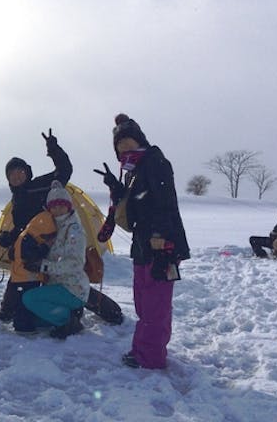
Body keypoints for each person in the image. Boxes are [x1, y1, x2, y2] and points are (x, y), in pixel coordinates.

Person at [94, 113, 189, 370]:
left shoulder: (154, 161)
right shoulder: (134, 170)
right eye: (119, 143)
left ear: (140, 140)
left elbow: (163, 201)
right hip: (143, 242)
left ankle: (151, 357)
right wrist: (115, 185)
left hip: (161, 243)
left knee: (155, 304)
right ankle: (143, 350)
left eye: (128, 140)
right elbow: (134, 206)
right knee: (144, 301)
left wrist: (160, 237)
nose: (125, 146)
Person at [0, 129, 73, 322]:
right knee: (19, 273)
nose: (16, 176)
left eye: (19, 171)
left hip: (47, 243)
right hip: (28, 244)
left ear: (27, 172)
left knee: (44, 278)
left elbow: (64, 170)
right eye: (11, 174)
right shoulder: (17, 197)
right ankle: (9, 309)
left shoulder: (40, 185)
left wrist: (54, 149)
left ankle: (61, 312)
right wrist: (7, 238)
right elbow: (22, 226)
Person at [22, 181, 89, 339]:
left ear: (69, 206)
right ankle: (69, 312)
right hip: (58, 285)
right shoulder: (54, 227)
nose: (57, 210)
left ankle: (69, 321)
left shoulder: (74, 230)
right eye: (54, 206)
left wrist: (44, 266)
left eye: (61, 205)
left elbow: (75, 264)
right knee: (33, 320)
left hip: (72, 288)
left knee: (29, 298)